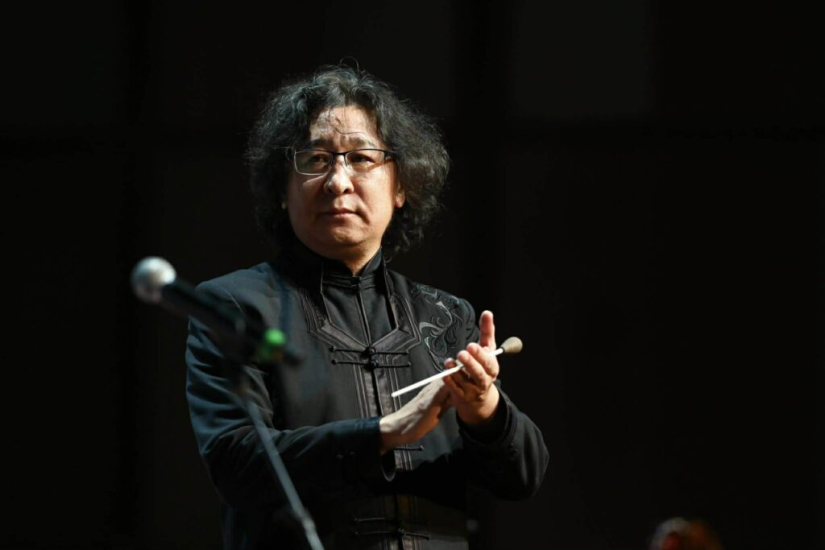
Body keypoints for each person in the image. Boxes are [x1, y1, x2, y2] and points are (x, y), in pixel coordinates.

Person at [185, 65, 549, 550]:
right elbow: (236, 464)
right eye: (316, 159)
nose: (338, 181)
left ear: (401, 187)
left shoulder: (446, 317)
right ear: (282, 190)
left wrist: (485, 410)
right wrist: (382, 433)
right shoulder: (235, 307)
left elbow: (522, 478)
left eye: (360, 158)